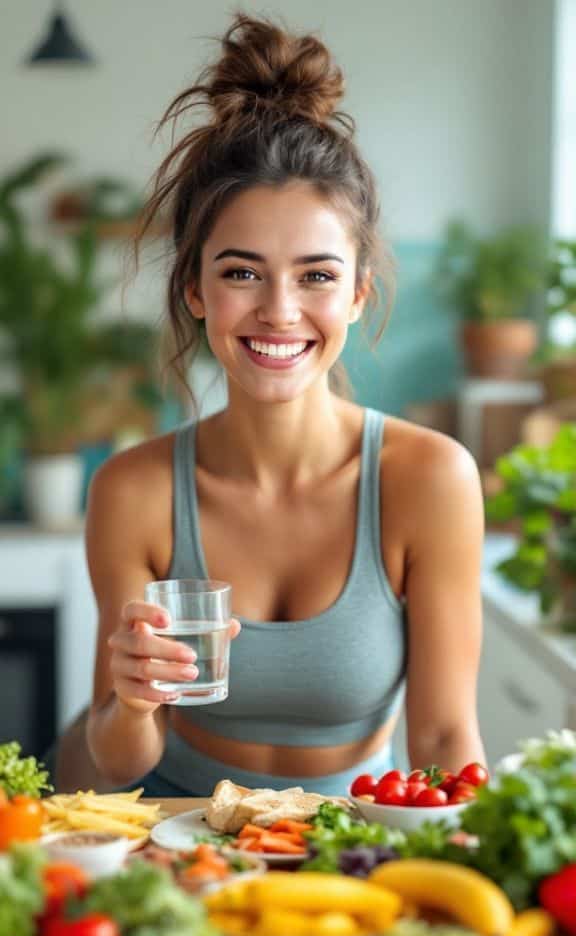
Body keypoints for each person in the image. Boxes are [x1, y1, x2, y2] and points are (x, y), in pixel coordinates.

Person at [64, 13, 486, 797]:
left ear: (358, 295)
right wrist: (132, 699)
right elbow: (118, 758)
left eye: (317, 276)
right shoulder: (133, 490)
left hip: (348, 846)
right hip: (176, 840)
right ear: (195, 289)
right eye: (241, 273)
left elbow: (441, 738)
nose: (280, 312)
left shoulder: (429, 479)